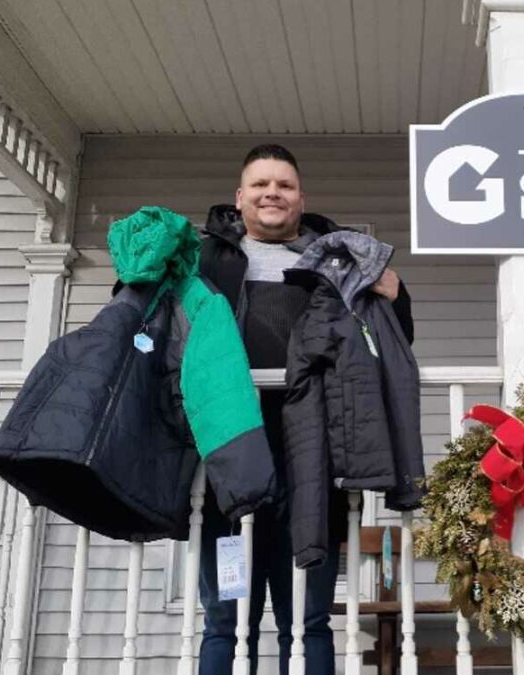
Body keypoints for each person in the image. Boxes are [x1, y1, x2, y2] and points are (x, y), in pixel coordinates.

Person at [196, 143, 414, 675]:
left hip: (312, 461)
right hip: (230, 456)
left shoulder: (338, 259)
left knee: (307, 621)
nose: (273, 193)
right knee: (227, 620)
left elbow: (391, 340)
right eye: (261, 184)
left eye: (285, 185)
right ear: (240, 197)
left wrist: (397, 293)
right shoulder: (207, 259)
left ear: (301, 198)